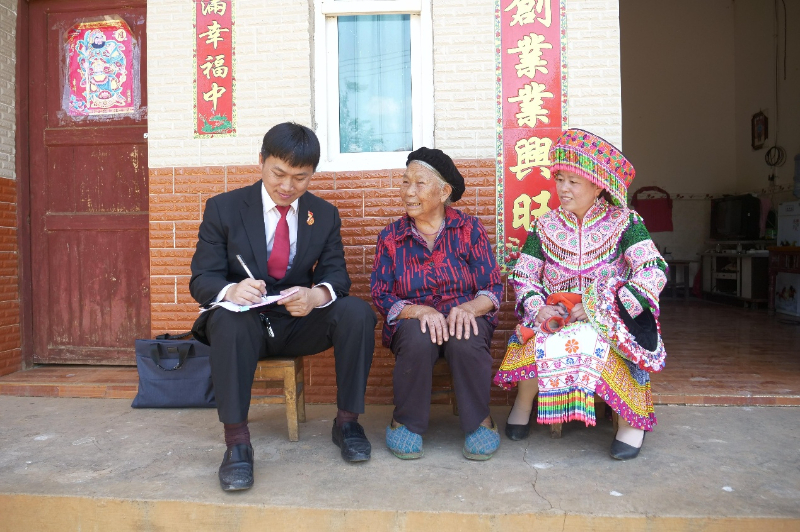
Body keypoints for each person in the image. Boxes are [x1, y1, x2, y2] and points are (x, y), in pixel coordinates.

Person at [190, 122, 377, 491]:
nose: (288, 186)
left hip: (295, 320)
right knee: (229, 322)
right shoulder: (224, 208)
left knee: (357, 313)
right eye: (278, 173)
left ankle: (348, 423)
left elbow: (336, 275)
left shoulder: (323, 215)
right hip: (244, 323)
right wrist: (232, 290)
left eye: (300, 177)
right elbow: (202, 278)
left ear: (312, 175)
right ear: (261, 161)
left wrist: (314, 297)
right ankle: (237, 444)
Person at [494, 129, 668, 460]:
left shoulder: (626, 222)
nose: (563, 188)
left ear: (598, 185)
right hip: (558, 313)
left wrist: (603, 308)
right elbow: (524, 274)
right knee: (535, 341)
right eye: (560, 179)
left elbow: (653, 270)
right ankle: (524, 402)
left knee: (613, 346)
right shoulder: (544, 226)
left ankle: (630, 420)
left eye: (573, 181)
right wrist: (538, 307)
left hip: (608, 317)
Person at [371, 147, 503, 461]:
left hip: (463, 314)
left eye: (419, 184)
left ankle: (480, 420)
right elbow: (381, 293)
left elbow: (491, 287)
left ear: (444, 192)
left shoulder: (470, 230)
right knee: (417, 336)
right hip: (414, 320)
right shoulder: (391, 237)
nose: (409, 192)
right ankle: (405, 421)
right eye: (405, 182)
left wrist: (470, 308)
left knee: (466, 334)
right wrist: (418, 311)